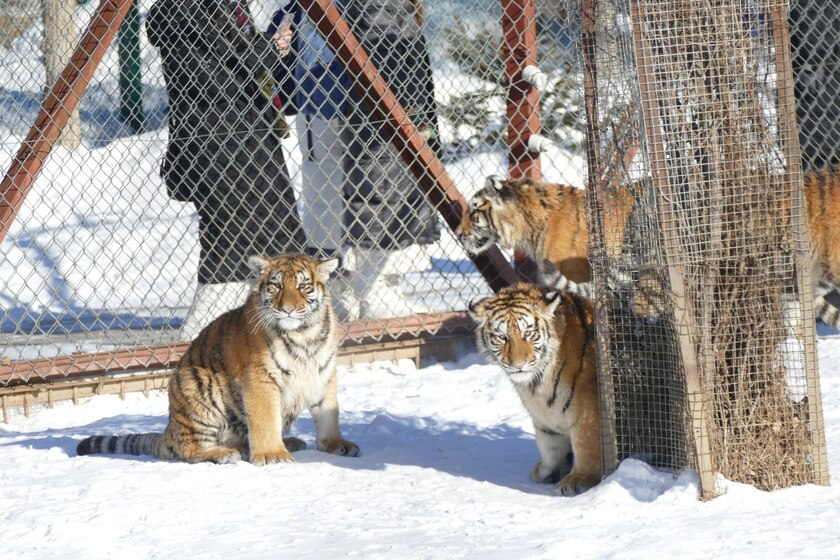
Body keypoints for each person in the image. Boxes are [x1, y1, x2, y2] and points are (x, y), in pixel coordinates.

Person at [146, 0, 307, 340]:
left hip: (252, 138)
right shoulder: (181, 11)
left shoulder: (229, 8)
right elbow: (212, 80)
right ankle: (203, 338)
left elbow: (238, 59)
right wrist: (265, 50)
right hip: (215, 142)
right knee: (228, 240)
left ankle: (277, 327)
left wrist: (264, 49)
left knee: (280, 229)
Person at [270, 0, 440, 320]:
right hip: (319, 90)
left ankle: (373, 286)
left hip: (370, 93)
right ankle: (330, 284)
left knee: (378, 187)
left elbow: (398, 29)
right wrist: (283, 34)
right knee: (323, 192)